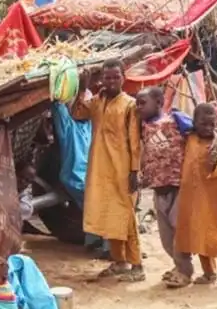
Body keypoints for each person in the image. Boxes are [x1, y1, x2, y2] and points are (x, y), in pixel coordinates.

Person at [72, 59, 144, 282]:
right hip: (100, 169)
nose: (111, 81)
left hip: (122, 168)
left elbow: (135, 141)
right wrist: (81, 88)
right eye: (107, 77)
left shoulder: (130, 105)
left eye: (115, 77)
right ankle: (119, 262)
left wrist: (135, 171)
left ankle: (137, 266)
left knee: (126, 217)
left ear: (124, 77)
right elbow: (77, 113)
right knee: (109, 216)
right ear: (101, 79)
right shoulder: (97, 101)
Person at [174, 104, 217, 292]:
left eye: (211, 124)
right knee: (200, 232)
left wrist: (215, 164)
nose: (208, 128)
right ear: (194, 123)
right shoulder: (189, 139)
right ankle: (209, 272)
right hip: (194, 197)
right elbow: (176, 116)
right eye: (203, 123)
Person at [136, 87, 194, 288]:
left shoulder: (176, 121)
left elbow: (198, 135)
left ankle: (185, 271)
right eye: (137, 103)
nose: (139, 107)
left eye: (143, 103)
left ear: (160, 102)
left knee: (179, 231)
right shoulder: (141, 127)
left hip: (178, 186)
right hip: (158, 187)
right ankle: (179, 265)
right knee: (166, 236)